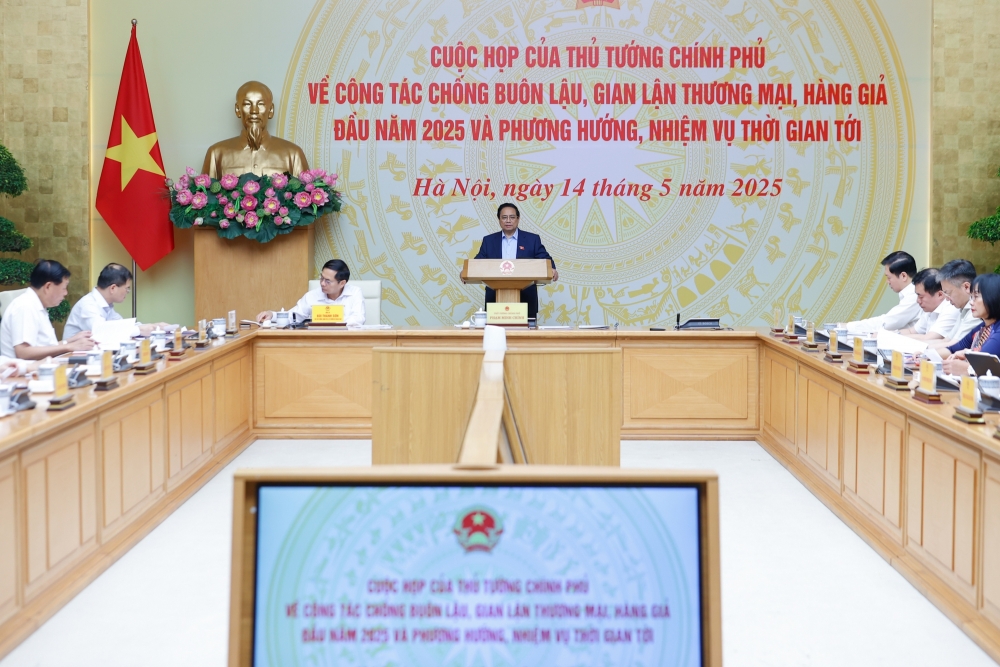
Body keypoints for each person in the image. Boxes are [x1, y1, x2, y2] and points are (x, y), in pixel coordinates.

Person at [202, 81, 309, 178]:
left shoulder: (293, 154)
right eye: (247, 104)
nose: (254, 111)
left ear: (271, 110)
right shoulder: (216, 154)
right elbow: (205, 192)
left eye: (261, 104)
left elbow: (304, 192)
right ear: (238, 110)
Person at [472, 203, 558, 320]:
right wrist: (466, 271)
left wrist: (551, 268)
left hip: (526, 298)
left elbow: (545, 259)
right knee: (495, 332)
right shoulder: (489, 240)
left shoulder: (532, 239)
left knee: (526, 332)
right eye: (504, 217)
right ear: (499, 219)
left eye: (512, 217)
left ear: (518, 219)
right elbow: (477, 262)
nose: (508, 220)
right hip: (495, 299)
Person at [0, 260, 94, 360]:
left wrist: (71, 341)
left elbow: (45, 347)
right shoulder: (25, 306)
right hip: (26, 369)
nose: (66, 293)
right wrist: (68, 347)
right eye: (64, 288)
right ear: (48, 286)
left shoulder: (37, 305)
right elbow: (23, 352)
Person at [63, 263, 172, 339]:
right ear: (113, 288)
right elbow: (102, 333)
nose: (127, 292)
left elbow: (122, 326)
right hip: (73, 360)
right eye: (127, 288)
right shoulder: (88, 305)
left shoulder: (107, 305)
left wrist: (155, 326)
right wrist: (140, 330)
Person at [256, 259, 365, 327]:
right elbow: (294, 316)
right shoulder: (312, 295)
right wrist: (272, 314)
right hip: (318, 342)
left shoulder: (355, 293)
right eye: (321, 278)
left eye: (328, 281)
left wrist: (329, 321)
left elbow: (358, 319)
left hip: (346, 341)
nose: (322, 283)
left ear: (342, 283)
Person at [846, 251, 920, 332]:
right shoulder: (912, 293)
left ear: (903, 276)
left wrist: (847, 326)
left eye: (889, 277)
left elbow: (887, 323)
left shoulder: (915, 295)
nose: (887, 281)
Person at [943, 273, 1000, 376]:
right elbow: (952, 349)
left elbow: (983, 363)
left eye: (976, 297)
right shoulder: (981, 328)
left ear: (993, 297)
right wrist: (925, 354)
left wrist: (967, 359)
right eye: (971, 297)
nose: (971, 302)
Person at [930, 259, 981, 350]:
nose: (946, 298)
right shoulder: (963, 308)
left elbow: (954, 345)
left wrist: (922, 349)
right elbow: (946, 340)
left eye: (948, 293)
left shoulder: (976, 310)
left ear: (966, 287)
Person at [898, 268, 960, 341]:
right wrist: (894, 334)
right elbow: (911, 331)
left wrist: (894, 338)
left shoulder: (951, 308)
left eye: (921, 296)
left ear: (940, 294)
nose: (918, 301)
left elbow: (929, 338)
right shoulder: (930, 308)